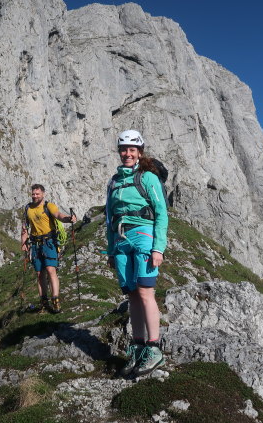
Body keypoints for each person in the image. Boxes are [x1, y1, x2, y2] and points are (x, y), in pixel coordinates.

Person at [106, 129, 168, 376]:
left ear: (140, 152)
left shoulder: (148, 178)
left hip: (143, 236)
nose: (127, 154)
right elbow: (110, 217)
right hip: (120, 241)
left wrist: (158, 248)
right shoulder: (113, 182)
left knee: (145, 292)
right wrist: (111, 250)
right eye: (124, 149)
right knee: (131, 294)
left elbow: (161, 213)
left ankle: (154, 348)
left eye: (132, 150)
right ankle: (138, 347)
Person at [21, 184, 76, 313]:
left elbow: (58, 215)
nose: (35, 196)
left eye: (37, 194)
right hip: (35, 243)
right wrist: (23, 242)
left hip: (49, 242)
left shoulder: (48, 206)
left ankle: (55, 299)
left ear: (43, 194)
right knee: (39, 273)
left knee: (51, 270)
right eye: (33, 194)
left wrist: (68, 219)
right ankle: (44, 301)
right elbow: (24, 227)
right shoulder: (28, 208)